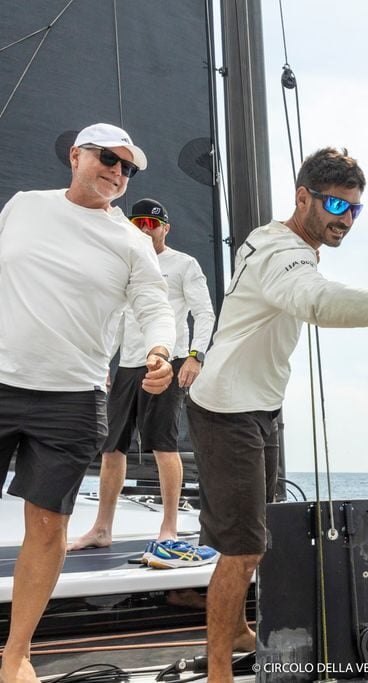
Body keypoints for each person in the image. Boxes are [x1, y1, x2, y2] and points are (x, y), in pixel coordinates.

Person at [186, 147, 368, 682]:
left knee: (256, 537)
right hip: (229, 408)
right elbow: (316, 302)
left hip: (258, 407)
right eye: (335, 205)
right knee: (243, 548)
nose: (345, 218)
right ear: (303, 197)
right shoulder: (282, 252)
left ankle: (236, 630)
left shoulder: (277, 243)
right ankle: (219, 672)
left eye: (354, 208)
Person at [0, 123, 175, 683]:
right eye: (108, 158)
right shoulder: (24, 206)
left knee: (47, 525)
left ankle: (16, 653)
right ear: (76, 155)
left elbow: (155, 305)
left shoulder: (130, 241)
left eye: (128, 168)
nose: (118, 172)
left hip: (72, 398)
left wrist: (160, 351)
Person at [68, 198, 217, 568]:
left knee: (163, 444)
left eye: (153, 223)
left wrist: (196, 356)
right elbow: (118, 319)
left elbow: (204, 312)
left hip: (168, 360)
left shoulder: (184, 264)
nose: (146, 229)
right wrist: (104, 362)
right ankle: (102, 528)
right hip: (127, 365)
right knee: (111, 447)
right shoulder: (127, 264)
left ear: (166, 228)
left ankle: (169, 528)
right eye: (139, 223)